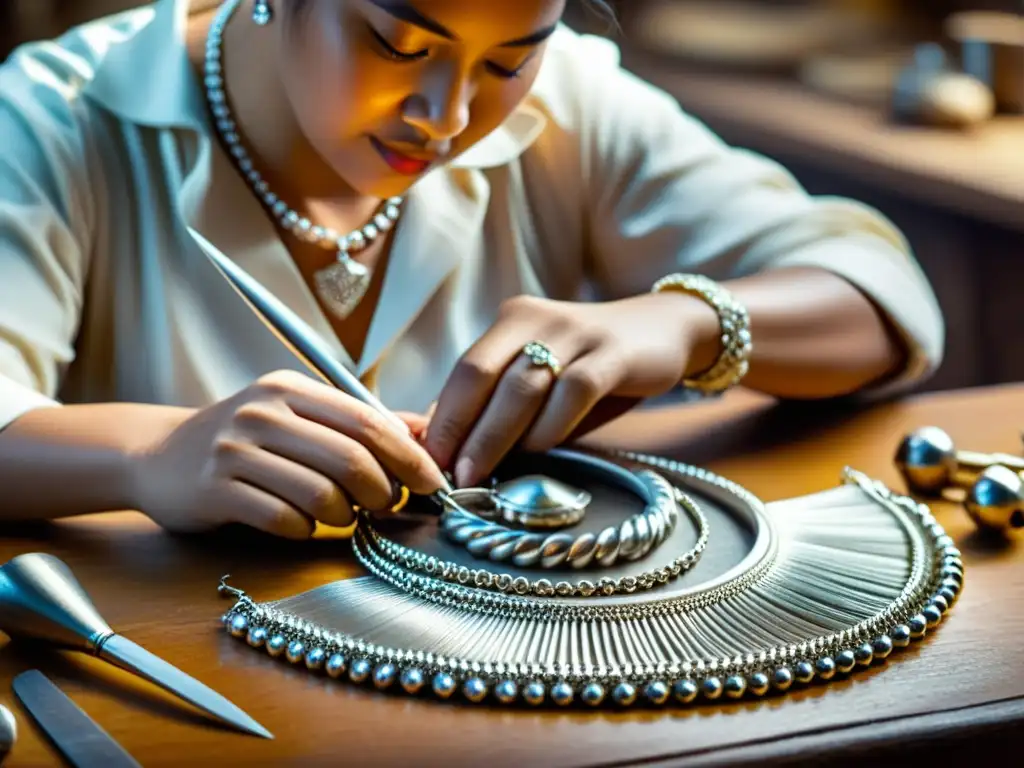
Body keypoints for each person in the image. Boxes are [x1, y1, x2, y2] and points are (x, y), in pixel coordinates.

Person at [0, 0, 944, 539]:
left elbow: (882, 298)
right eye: (399, 44)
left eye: (508, 61)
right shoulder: (54, 122)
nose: (446, 116)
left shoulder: (576, 98)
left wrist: (682, 323)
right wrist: (145, 456)